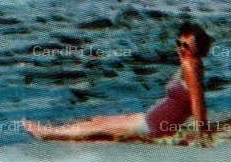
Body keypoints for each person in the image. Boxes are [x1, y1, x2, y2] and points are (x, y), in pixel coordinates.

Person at [22, 23, 211, 144]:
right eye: (179, 44)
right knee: (99, 121)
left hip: (153, 127)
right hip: (149, 120)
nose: (181, 49)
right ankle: (53, 130)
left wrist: (201, 132)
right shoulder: (193, 64)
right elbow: (195, 98)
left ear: (197, 48)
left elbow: (197, 101)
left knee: (96, 127)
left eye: (186, 46)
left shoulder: (190, 64)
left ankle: (46, 133)